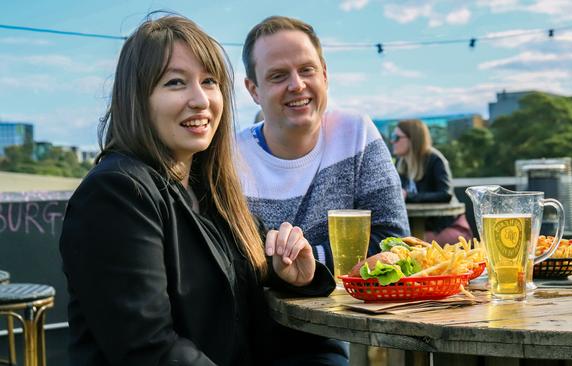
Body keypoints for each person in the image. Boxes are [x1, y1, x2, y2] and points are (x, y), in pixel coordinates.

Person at [59, 14, 334, 366]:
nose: (201, 100)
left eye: (209, 81)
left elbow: (248, 304)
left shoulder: (211, 191)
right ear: (138, 98)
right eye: (175, 83)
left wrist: (294, 276)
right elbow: (147, 348)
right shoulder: (116, 193)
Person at [236, 15, 409, 365]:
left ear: (325, 75)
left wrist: (307, 263)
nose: (297, 85)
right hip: (238, 335)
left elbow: (396, 243)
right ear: (253, 90)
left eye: (307, 70)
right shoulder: (228, 156)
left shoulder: (355, 133)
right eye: (278, 75)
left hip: (316, 340)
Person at [392, 119, 473, 245]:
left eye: (396, 137)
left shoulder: (435, 160)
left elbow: (445, 194)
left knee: (411, 246)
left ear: (412, 139)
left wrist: (409, 196)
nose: (392, 141)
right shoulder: (401, 163)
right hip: (419, 227)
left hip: (447, 227)